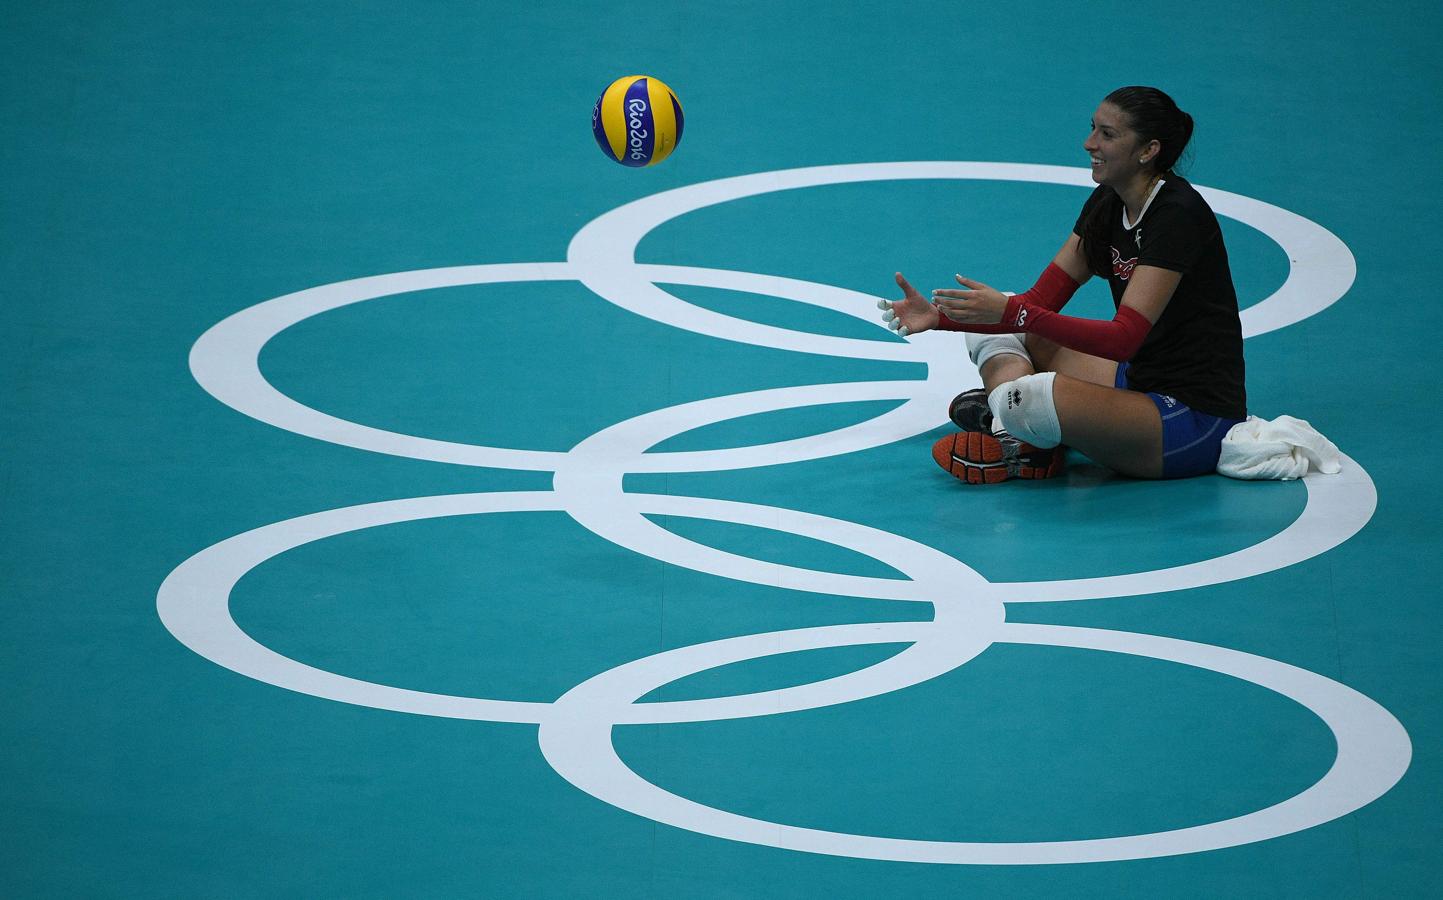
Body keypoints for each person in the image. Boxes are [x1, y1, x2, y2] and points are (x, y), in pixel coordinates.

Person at [882, 86, 1247, 484]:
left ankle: (1015, 426)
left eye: (1107, 135)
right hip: (1136, 381)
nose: (1089, 143)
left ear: (1148, 151)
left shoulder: (1177, 216)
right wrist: (941, 319)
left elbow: (1123, 339)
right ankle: (1017, 437)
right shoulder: (1108, 203)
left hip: (1192, 420)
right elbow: (1036, 302)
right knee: (1006, 317)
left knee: (1033, 396)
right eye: (1093, 129)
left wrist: (1014, 313)